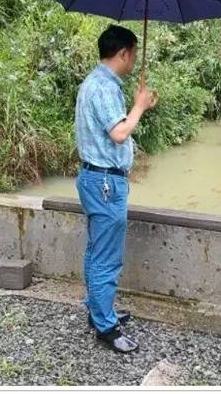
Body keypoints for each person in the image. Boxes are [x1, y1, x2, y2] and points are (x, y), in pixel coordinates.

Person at [74, 24, 158, 353]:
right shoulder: (105, 88)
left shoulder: (94, 82)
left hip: (95, 179)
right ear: (123, 53)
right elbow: (119, 134)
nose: (134, 62)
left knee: (97, 251)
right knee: (106, 257)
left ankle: (99, 310)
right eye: (133, 55)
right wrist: (139, 106)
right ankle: (106, 327)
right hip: (106, 182)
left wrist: (137, 106)